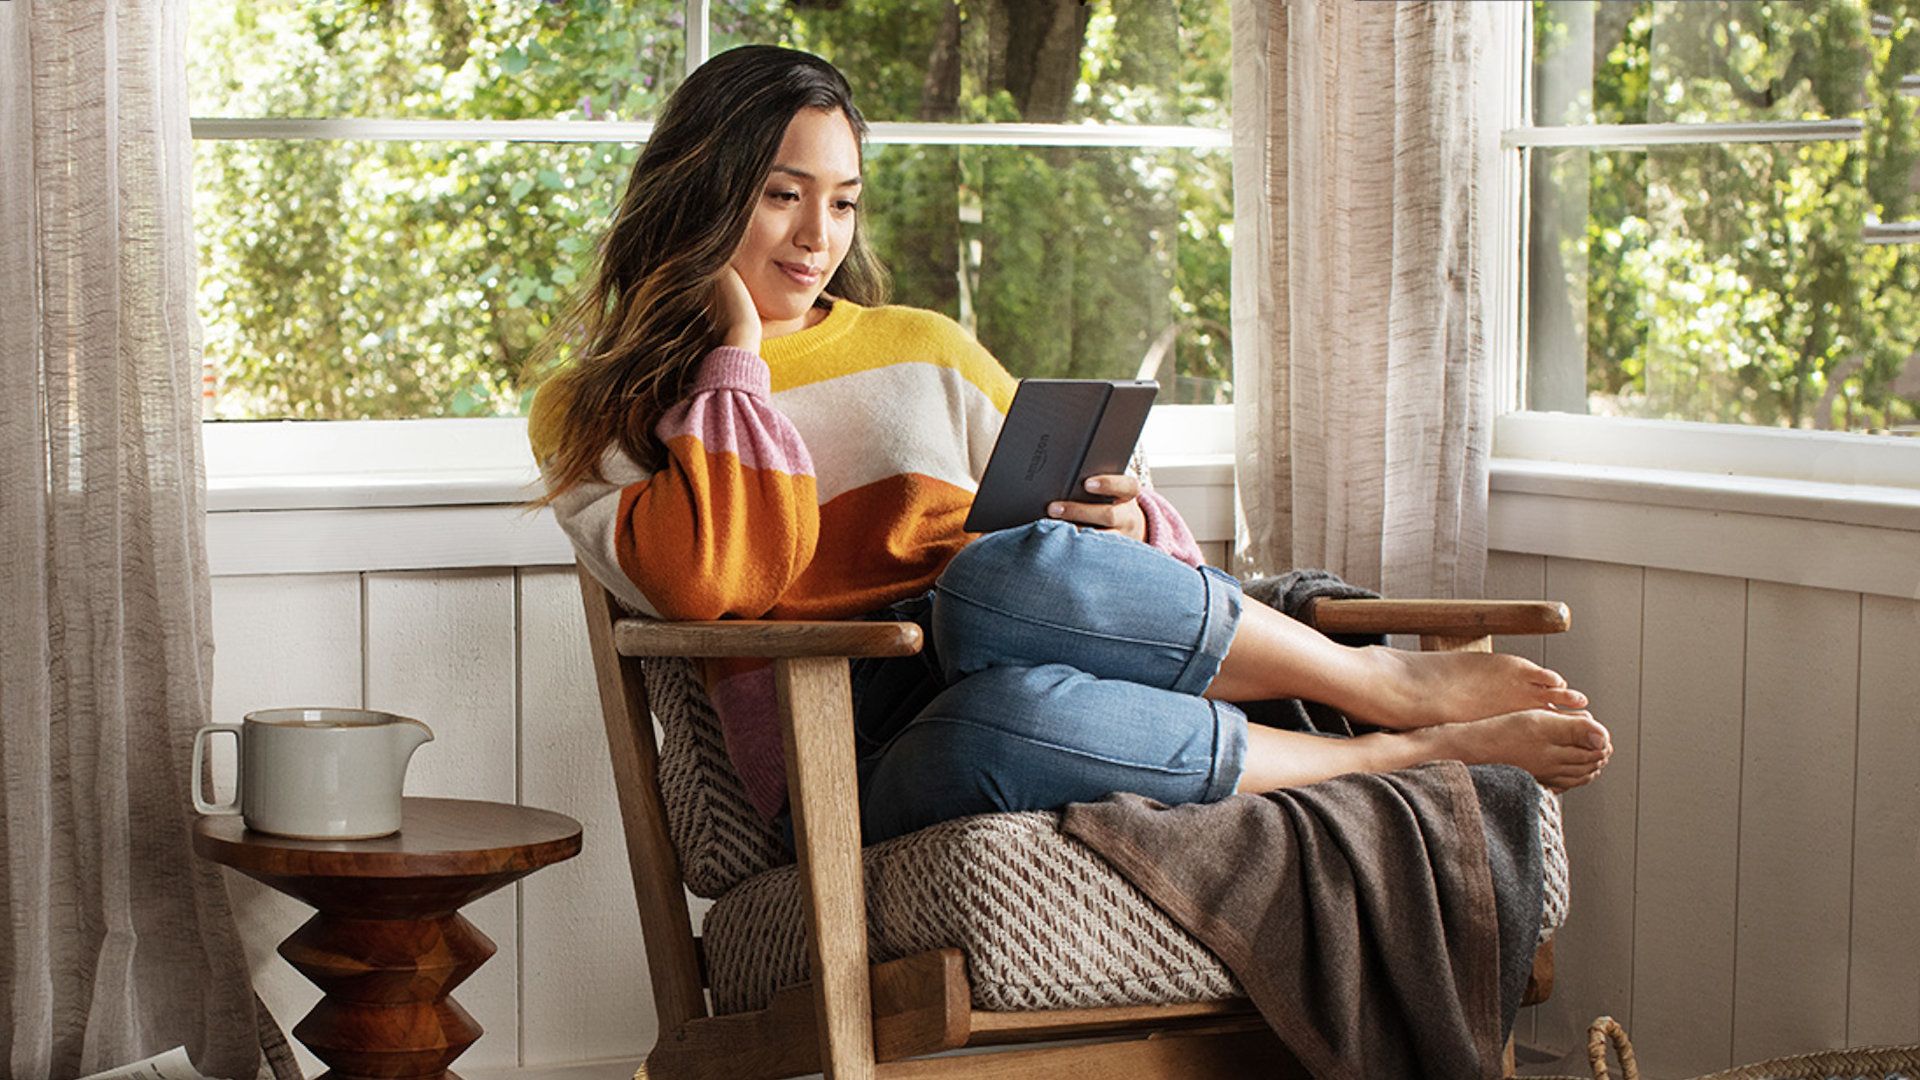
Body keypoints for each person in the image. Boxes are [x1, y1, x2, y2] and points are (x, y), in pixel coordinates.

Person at [528, 45, 1611, 844]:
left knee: (994, 585)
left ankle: (1388, 696)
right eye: (782, 197)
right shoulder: (595, 411)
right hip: (846, 745)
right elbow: (706, 584)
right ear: (705, 190)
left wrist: (1123, 516)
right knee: (997, 722)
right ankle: (1395, 755)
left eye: (846, 203)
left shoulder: (925, 347)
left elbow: (1123, 553)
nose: (820, 238)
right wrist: (730, 360)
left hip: (1012, 629)